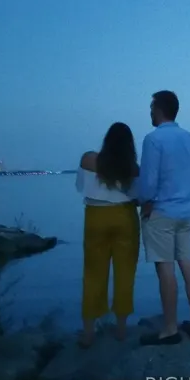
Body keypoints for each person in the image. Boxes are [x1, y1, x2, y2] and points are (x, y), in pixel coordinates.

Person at [137, 90, 190, 345]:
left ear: (159, 110)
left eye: (151, 108)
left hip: (162, 212)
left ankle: (170, 329)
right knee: (188, 265)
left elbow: (149, 179)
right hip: (187, 213)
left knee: (165, 269)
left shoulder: (153, 139)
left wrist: (145, 202)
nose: (149, 112)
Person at [74, 122, 141, 348]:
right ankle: (121, 330)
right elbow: (138, 197)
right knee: (125, 274)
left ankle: (89, 332)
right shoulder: (132, 168)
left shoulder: (88, 160)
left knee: (93, 274)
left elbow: (79, 186)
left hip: (96, 217)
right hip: (125, 217)